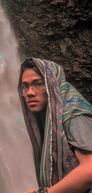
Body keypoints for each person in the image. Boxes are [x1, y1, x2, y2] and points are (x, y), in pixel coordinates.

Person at [19, 58, 92, 193]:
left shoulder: (74, 113)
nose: (30, 92)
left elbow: (90, 170)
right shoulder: (50, 117)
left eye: (38, 84)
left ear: (52, 84)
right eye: (25, 86)